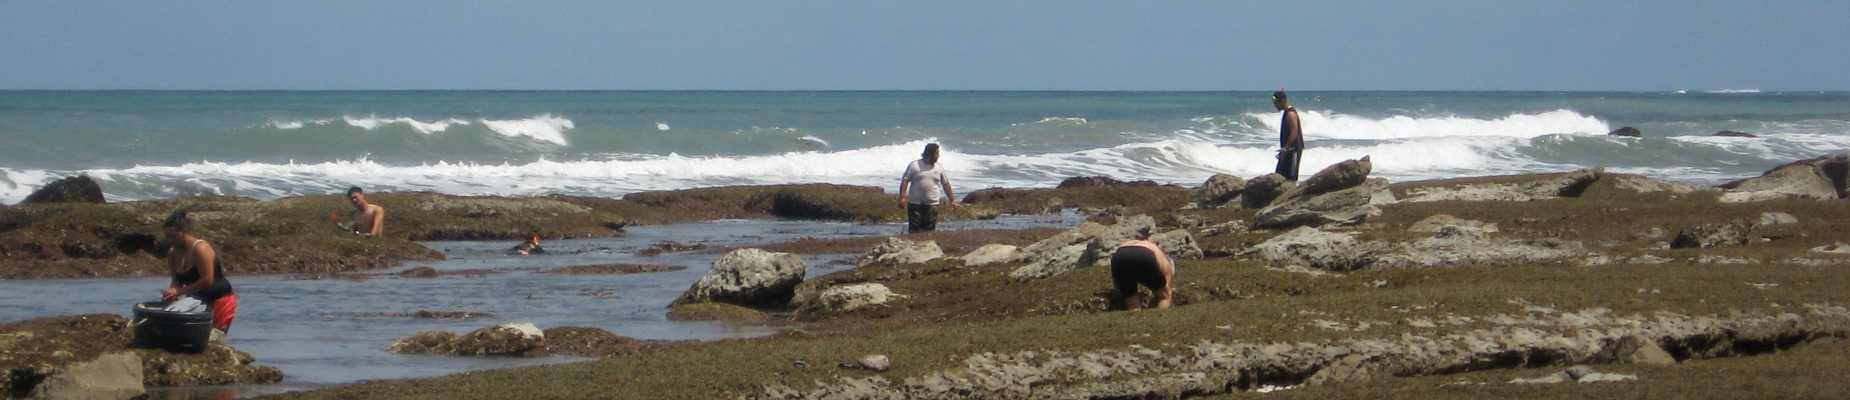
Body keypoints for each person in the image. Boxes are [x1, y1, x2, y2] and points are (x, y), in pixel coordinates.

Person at [161, 211, 238, 340]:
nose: (171, 241)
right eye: (168, 237)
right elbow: (176, 281)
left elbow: (207, 280)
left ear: (184, 231)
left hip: (219, 300)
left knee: (213, 340)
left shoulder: (200, 248)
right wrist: (172, 294)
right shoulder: (172, 254)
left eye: (174, 236)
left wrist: (179, 291)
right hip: (196, 302)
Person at [897, 143, 958, 233]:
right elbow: (905, 181)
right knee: (914, 231)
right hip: (915, 204)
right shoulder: (914, 165)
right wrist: (902, 198)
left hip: (932, 204)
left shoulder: (939, 168)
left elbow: (946, 184)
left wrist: (952, 200)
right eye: (937, 153)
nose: (938, 156)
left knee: (929, 232)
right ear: (930, 154)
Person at [1110, 239, 1175, 310]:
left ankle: (1135, 314)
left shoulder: (1135, 243)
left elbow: (1116, 280)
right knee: (1165, 296)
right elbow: (1166, 287)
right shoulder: (1164, 259)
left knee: (1131, 299)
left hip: (1119, 257)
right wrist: (1160, 295)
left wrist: (1124, 291)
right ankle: (1159, 315)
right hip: (1144, 255)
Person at [1272, 88, 1305, 182]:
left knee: (1291, 178)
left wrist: (1285, 149)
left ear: (1282, 101)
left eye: (1276, 103)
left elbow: (1294, 132)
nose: (1275, 105)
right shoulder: (1286, 113)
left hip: (1293, 150)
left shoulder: (1291, 114)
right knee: (1279, 175)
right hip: (1287, 151)